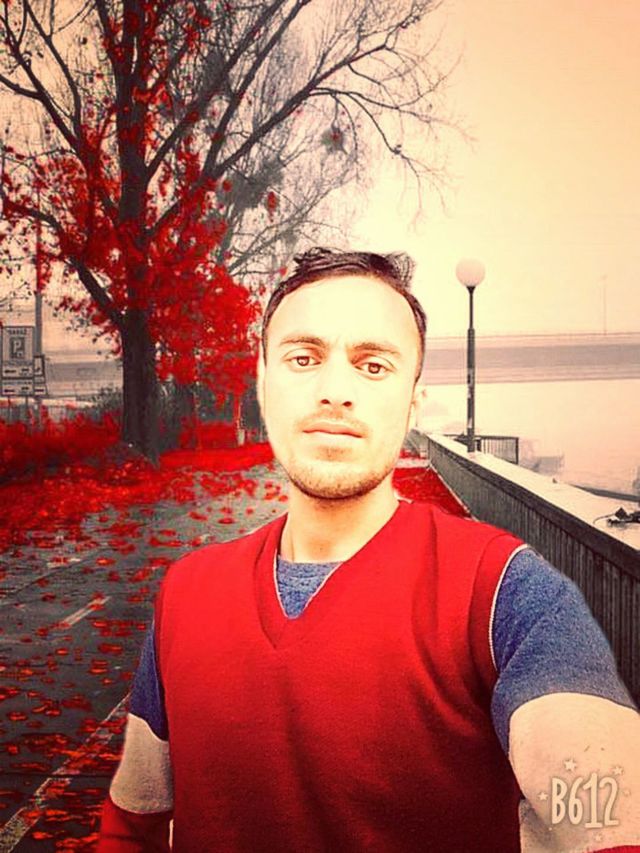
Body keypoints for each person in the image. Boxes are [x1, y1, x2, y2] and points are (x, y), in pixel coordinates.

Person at [98, 249, 640, 852]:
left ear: (413, 403)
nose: (335, 392)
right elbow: (135, 823)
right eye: (303, 359)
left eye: (373, 366)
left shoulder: (505, 595)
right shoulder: (186, 595)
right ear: (263, 384)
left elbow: (604, 813)